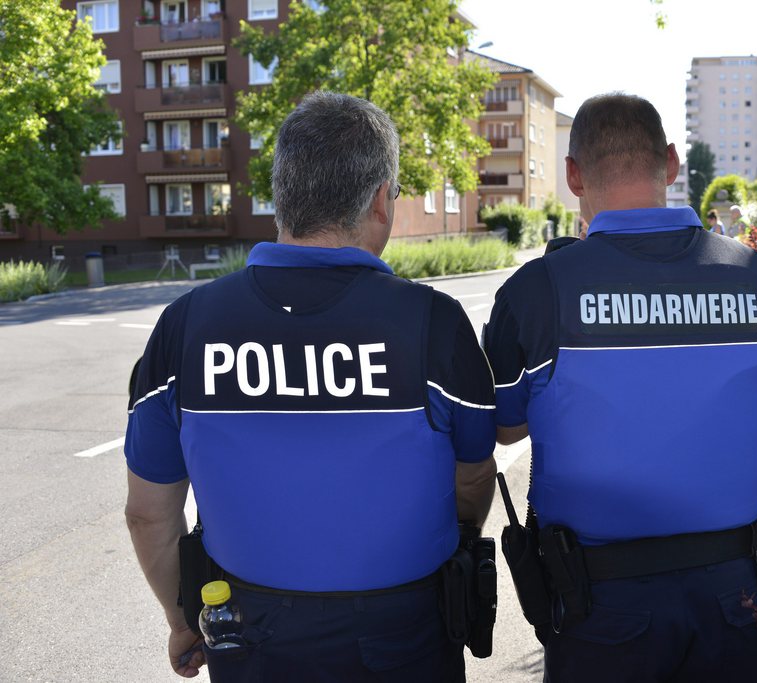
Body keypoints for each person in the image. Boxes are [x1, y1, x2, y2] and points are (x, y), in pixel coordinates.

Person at [483, 93, 757, 682]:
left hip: (599, 606)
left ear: (573, 175)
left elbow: (502, 430)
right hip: (737, 598)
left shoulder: (536, 293)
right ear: (674, 164)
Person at [124, 92, 497, 683]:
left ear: (282, 197)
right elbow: (474, 477)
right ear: (381, 200)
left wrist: (182, 622)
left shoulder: (185, 326)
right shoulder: (434, 324)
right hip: (405, 631)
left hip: (246, 632)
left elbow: (149, 515)